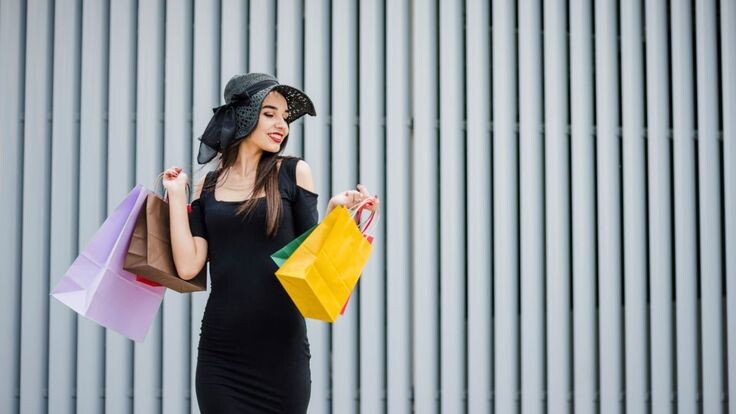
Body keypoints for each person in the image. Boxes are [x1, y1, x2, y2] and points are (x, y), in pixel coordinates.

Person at [162, 73, 378, 413]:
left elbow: (309, 258)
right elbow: (189, 266)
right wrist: (177, 196)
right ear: (243, 116)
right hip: (221, 358)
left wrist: (337, 213)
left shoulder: (293, 172)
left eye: (285, 117)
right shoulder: (207, 186)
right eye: (269, 114)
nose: (282, 125)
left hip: (282, 356)